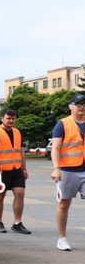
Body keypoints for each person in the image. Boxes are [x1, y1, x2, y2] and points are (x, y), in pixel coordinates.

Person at [0, 108, 30, 235]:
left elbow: (21, 151)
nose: (11, 120)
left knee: (20, 194)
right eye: (8, 118)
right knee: (0, 196)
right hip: (0, 170)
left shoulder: (17, 132)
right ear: (2, 118)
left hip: (16, 169)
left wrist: (24, 168)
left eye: (13, 118)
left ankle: (17, 223)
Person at [51, 94, 85, 251]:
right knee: (64, 203)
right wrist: (56, 168)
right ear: (70, 106)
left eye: (83, 103)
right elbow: (55, 148)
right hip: (67, 170)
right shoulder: (62, 124)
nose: (81, 106)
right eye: (77, 103)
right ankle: (62, 238)